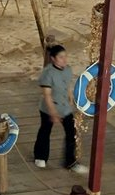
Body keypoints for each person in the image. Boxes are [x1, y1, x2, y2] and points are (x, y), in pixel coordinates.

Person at [35, 44, 87, 173]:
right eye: (60, 57)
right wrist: (53, 113)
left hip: (65, 107)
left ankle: (71, 162)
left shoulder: (68, 69)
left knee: (71, 133)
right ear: (53, 58)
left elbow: (67, 85)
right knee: (45, 131)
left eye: (65, 56)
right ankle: (40, 157)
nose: (64, 59)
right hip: (48, 108)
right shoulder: (48, 73)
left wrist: (70, 98)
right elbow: (47, 95)